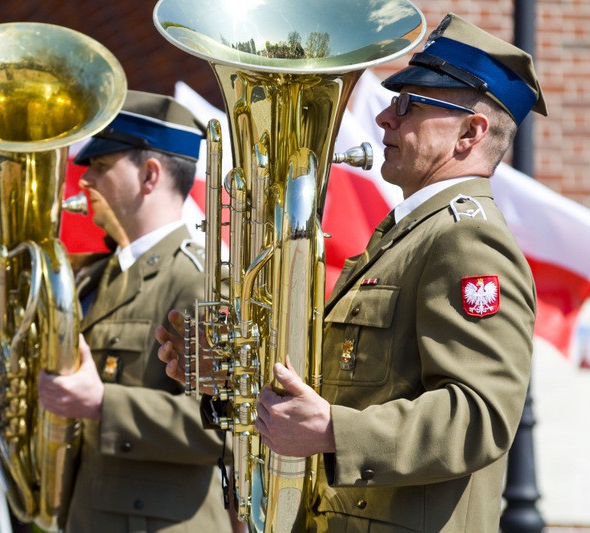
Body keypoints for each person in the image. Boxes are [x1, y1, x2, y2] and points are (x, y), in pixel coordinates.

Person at [157, 13, 546, 532]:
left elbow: (479, 418)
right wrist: (226, 377)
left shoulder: (466, 239)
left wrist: (334, 432)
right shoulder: (408, 234)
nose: (385, 118)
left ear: (469, 133)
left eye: (409, 104)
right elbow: (338, 385)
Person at [0, 90, 234, 532]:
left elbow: (227, 428)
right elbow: (34, 379)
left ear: (150, 176)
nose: (85, 180)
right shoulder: (91, 278)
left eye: (101, 166)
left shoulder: (200, 281)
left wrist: (102, 404)